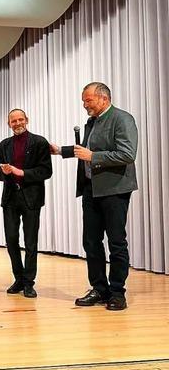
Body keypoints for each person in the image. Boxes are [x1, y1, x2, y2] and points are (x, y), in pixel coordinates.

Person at [50, 82, 137, 311]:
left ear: (104, 98)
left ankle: (117, 292)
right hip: (91, 189)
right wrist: (60, 150)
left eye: (88, 100)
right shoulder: (92, 122)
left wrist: (94, 156)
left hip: (114, 189)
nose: (84, 104)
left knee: (116, 242)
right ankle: (99, 288)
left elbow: (127, 154)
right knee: (91, 241)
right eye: (83, 100)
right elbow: (85, 149)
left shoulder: (122, 119)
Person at [0, 109, 52, 298]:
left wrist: (22, 173)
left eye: (20, 119)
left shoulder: (40, 142)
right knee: (11, 240)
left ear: (27, 120)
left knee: (30, 242)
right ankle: (18, 278)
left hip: (31, 199)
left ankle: (29, 282)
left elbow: (46, 171)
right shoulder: (3, 145)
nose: (17, 123)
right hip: (10, 199)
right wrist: (5, 172)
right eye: (13, 121)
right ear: (8, 123)